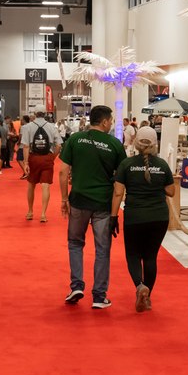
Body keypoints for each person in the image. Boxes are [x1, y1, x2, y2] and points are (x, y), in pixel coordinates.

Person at [59, 105, 127, 309]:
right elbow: (121, 181)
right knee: (102, 249)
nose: (112, 123)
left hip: (79, 199)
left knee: (75, 243)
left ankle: (76, 285)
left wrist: (64, 199)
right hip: (103, 204)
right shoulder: (115, 144)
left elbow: (63, 172)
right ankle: (99, 296)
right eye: (111, 120)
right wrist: (116, 211)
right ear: (105, 122)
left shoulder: (74, 139)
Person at [111, 126, 175, 313]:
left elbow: (118, 192)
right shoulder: (162, 165)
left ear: (136, 142)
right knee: (150, 256)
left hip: (135, 216)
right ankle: (147, 297)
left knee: (132, 255)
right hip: (159, 217)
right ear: (155, 143)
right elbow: (171, 191)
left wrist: (113, 217)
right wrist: (156, 186)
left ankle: (140, 286)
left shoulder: (126, 164)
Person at [21, 110, 62, 221]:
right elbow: (58, 145)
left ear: (34, 114)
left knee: (31, 185)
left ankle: (30, 212)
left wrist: (26, 162)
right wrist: (52, 157)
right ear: (45, 114)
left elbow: (25, 146)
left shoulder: (27, 127)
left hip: (33, 158)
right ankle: (43, 214)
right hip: (47, 157)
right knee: (45, 186)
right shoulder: (52, 126)